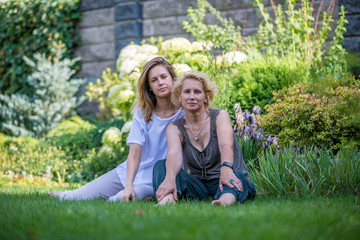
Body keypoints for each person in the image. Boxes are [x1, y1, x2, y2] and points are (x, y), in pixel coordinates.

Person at [49, 57, 184, 202]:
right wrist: (128, 185)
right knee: (75, 197)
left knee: (115, 200)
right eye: (154, 80)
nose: (160, 82)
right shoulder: (142, 114)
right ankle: (67, 195)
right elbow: (134, 154)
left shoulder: (185, 112)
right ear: (149, 87)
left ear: (172, 79)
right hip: (128, 173)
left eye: (164, 77)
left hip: (155, 180)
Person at [153, 71, 256, 207]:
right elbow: (174, 155)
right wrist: (170, 179)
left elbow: (226, 145)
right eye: (187, 92)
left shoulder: (220, 116)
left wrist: (226, 168)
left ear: (206, 97)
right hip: (200, 186)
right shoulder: (174, 128)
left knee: (236, 174)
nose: (192, 97)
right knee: (161, 165)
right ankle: (166, 200)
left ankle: (224, 201)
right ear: (179, 97)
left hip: (230, 177)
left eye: (197, 92)